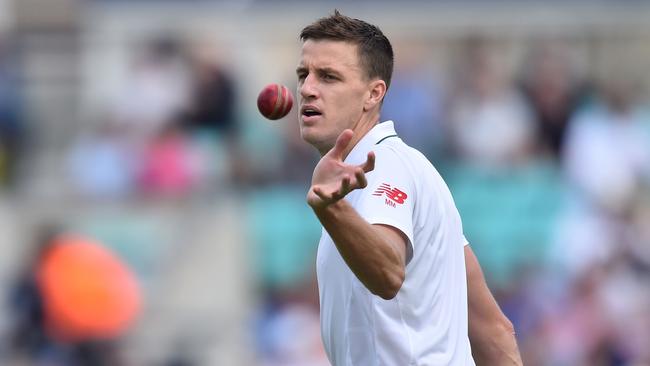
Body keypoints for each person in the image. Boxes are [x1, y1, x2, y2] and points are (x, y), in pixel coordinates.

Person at [295, 10, 522, 365]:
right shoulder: (395, 172)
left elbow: (388, 274)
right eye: (303, 74)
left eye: (328, 77)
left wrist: (331, 210)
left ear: (374, 94)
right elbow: (494, 330)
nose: (307, 88)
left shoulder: (386, 165)